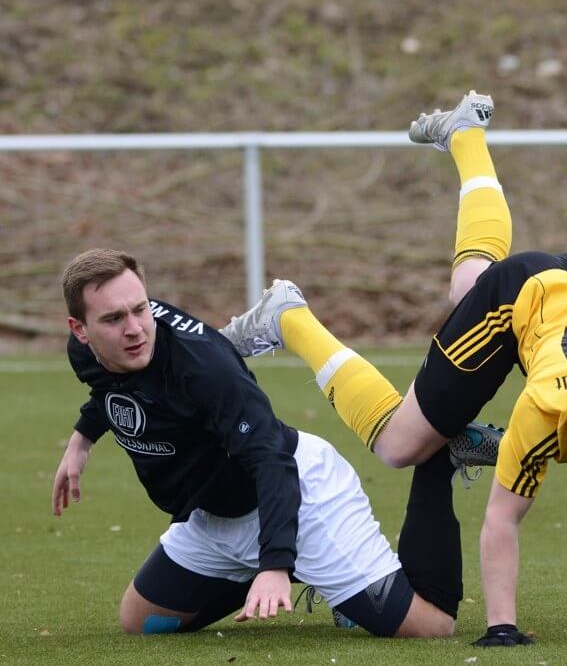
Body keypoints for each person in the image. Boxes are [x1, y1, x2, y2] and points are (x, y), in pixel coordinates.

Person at [222, 91, 567, 645]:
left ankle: (465, 135)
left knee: (466, 284)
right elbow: (502, 517)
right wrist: (503, 627)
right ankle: (289, 317)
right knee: (399, 445)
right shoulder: (547, 408)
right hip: (520, 299)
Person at [51, 248, 491, 637]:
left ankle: (439, 458)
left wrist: (275, 563)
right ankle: (312, 580)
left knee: (430, 627)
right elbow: (113, 388)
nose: (134, 328)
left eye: (140, 309)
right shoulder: (88, 352)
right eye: (114, 318)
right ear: (80, 329)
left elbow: (272, 460)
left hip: (296, 495)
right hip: (214, 517)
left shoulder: (205, 369)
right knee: (142, 623)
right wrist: (81, 439)